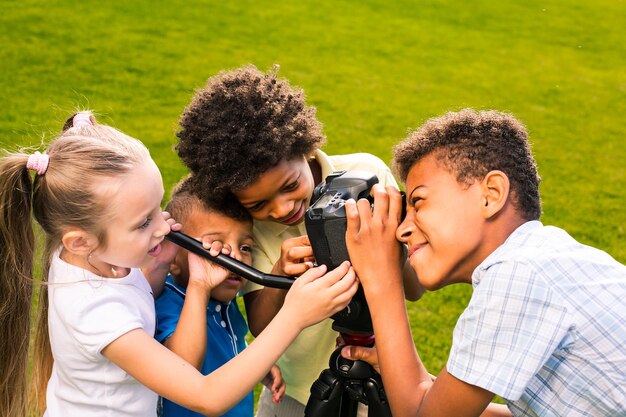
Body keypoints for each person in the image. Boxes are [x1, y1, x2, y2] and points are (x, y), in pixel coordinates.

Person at [0, 111, 358, 417]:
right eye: (143, 222)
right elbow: (207, 397)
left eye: (159, 208)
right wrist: (294, 315)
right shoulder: (94, 312)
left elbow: (137, 298)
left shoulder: (97, 256)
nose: (164, 227)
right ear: (81, 241)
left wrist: (157, 266)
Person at [342, 108, 626, 417]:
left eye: (418, 202)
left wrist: (381, 277)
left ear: (491, 195)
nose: (402, 229)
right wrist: (417, 381)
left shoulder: (517, 275)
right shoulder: (545, 257)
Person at [175, 65, 423, 416]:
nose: (282, 208)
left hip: (385, 371)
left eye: (290, 186)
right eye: (258, 204)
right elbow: (261, 326)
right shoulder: (249, 229)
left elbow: (415, 289)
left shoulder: (366, 175)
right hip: (295, 391)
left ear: (306, 149)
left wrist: (384, 247)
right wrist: (280, 274)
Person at [155, 177, 285, 417]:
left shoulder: (224, 303)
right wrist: (199, 286)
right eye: (216, 247)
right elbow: (183, 367)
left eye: (245, 247)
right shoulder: (170, 301)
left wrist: (253, 364)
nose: (235, 257)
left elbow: (228, 344)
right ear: (173, 257)